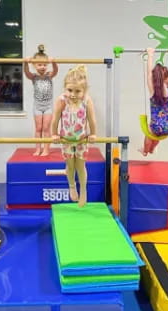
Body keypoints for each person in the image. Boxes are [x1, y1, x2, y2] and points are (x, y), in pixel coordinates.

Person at [51, 65, 96, 207]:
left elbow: (91, 119)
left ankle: (83, 190)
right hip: (66, 140)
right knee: (70, 166)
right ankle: (72, 186)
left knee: (80, 166)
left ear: (84, 91)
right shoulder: (62, 100)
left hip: (82, 139)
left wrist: (93, 133)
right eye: (70, 90)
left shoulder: (86, 101)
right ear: (65, 88)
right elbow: (55, 119)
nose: (73, 94)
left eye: (78, 91)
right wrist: (54, 134)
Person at [139, 46, 168, 156]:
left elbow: (149, 74)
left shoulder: (153, 91)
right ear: (167, 78)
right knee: (160, 131)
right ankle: (153, 148)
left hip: (155, 128)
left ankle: (145, 150)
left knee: (150, 135)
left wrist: (150, 55)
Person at [24, 44, 59, 156]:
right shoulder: (34, 77)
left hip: (48, 106)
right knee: (38, 128)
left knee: (46, 128)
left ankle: (46, 149)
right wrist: (26, 63)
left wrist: (53, 62)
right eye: (39, 65)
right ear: (34, 65)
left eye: (45, 64)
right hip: (37, 106)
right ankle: (38, 149)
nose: (42, 67)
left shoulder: (49, 75)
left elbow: (56, 71)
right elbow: (26, 73)